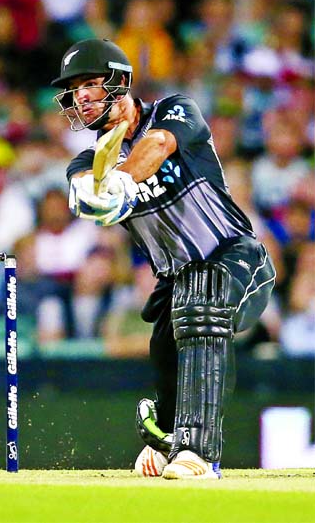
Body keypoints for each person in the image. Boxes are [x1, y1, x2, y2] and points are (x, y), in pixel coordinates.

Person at [52, 38, 276, 480]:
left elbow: (156, 144)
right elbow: (80, 183)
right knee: (167, 343)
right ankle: (169, 440)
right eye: (75, 90)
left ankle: (199, 453)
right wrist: (88, 192)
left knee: (202, 299)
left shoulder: (175, 110)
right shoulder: (87, 159)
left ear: (120, 83)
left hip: (238, 260)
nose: (82, 97)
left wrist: (119, 181)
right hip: (174, 283)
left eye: (91, 85)